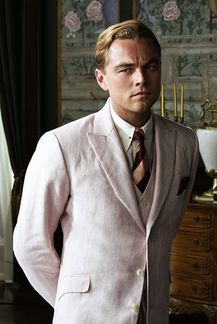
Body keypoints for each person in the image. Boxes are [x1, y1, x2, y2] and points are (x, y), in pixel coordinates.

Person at [13, 19, 199, 324]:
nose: (141, 78)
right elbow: (30, 245)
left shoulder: (185, 142)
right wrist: (73, 302)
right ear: (102, 79)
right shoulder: (63, 144)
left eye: (150, 66)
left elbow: (164, 229)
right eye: (126, 69)